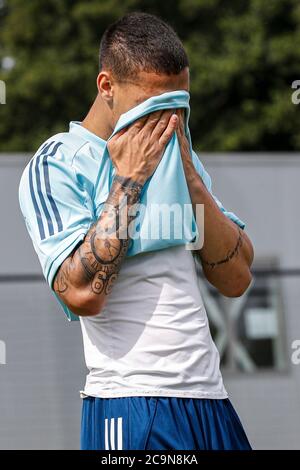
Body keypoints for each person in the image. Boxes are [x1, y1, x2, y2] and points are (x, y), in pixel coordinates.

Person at [19, 12, 254, 450]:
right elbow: (81, 293)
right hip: (131, 405)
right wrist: (129, 180)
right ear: (106, 86)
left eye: (176, 105)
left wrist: (191, 177)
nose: (165, 119)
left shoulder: (178, 156)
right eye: (152, 105)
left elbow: (237, 277)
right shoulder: (56, 163)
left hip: (210, 400)